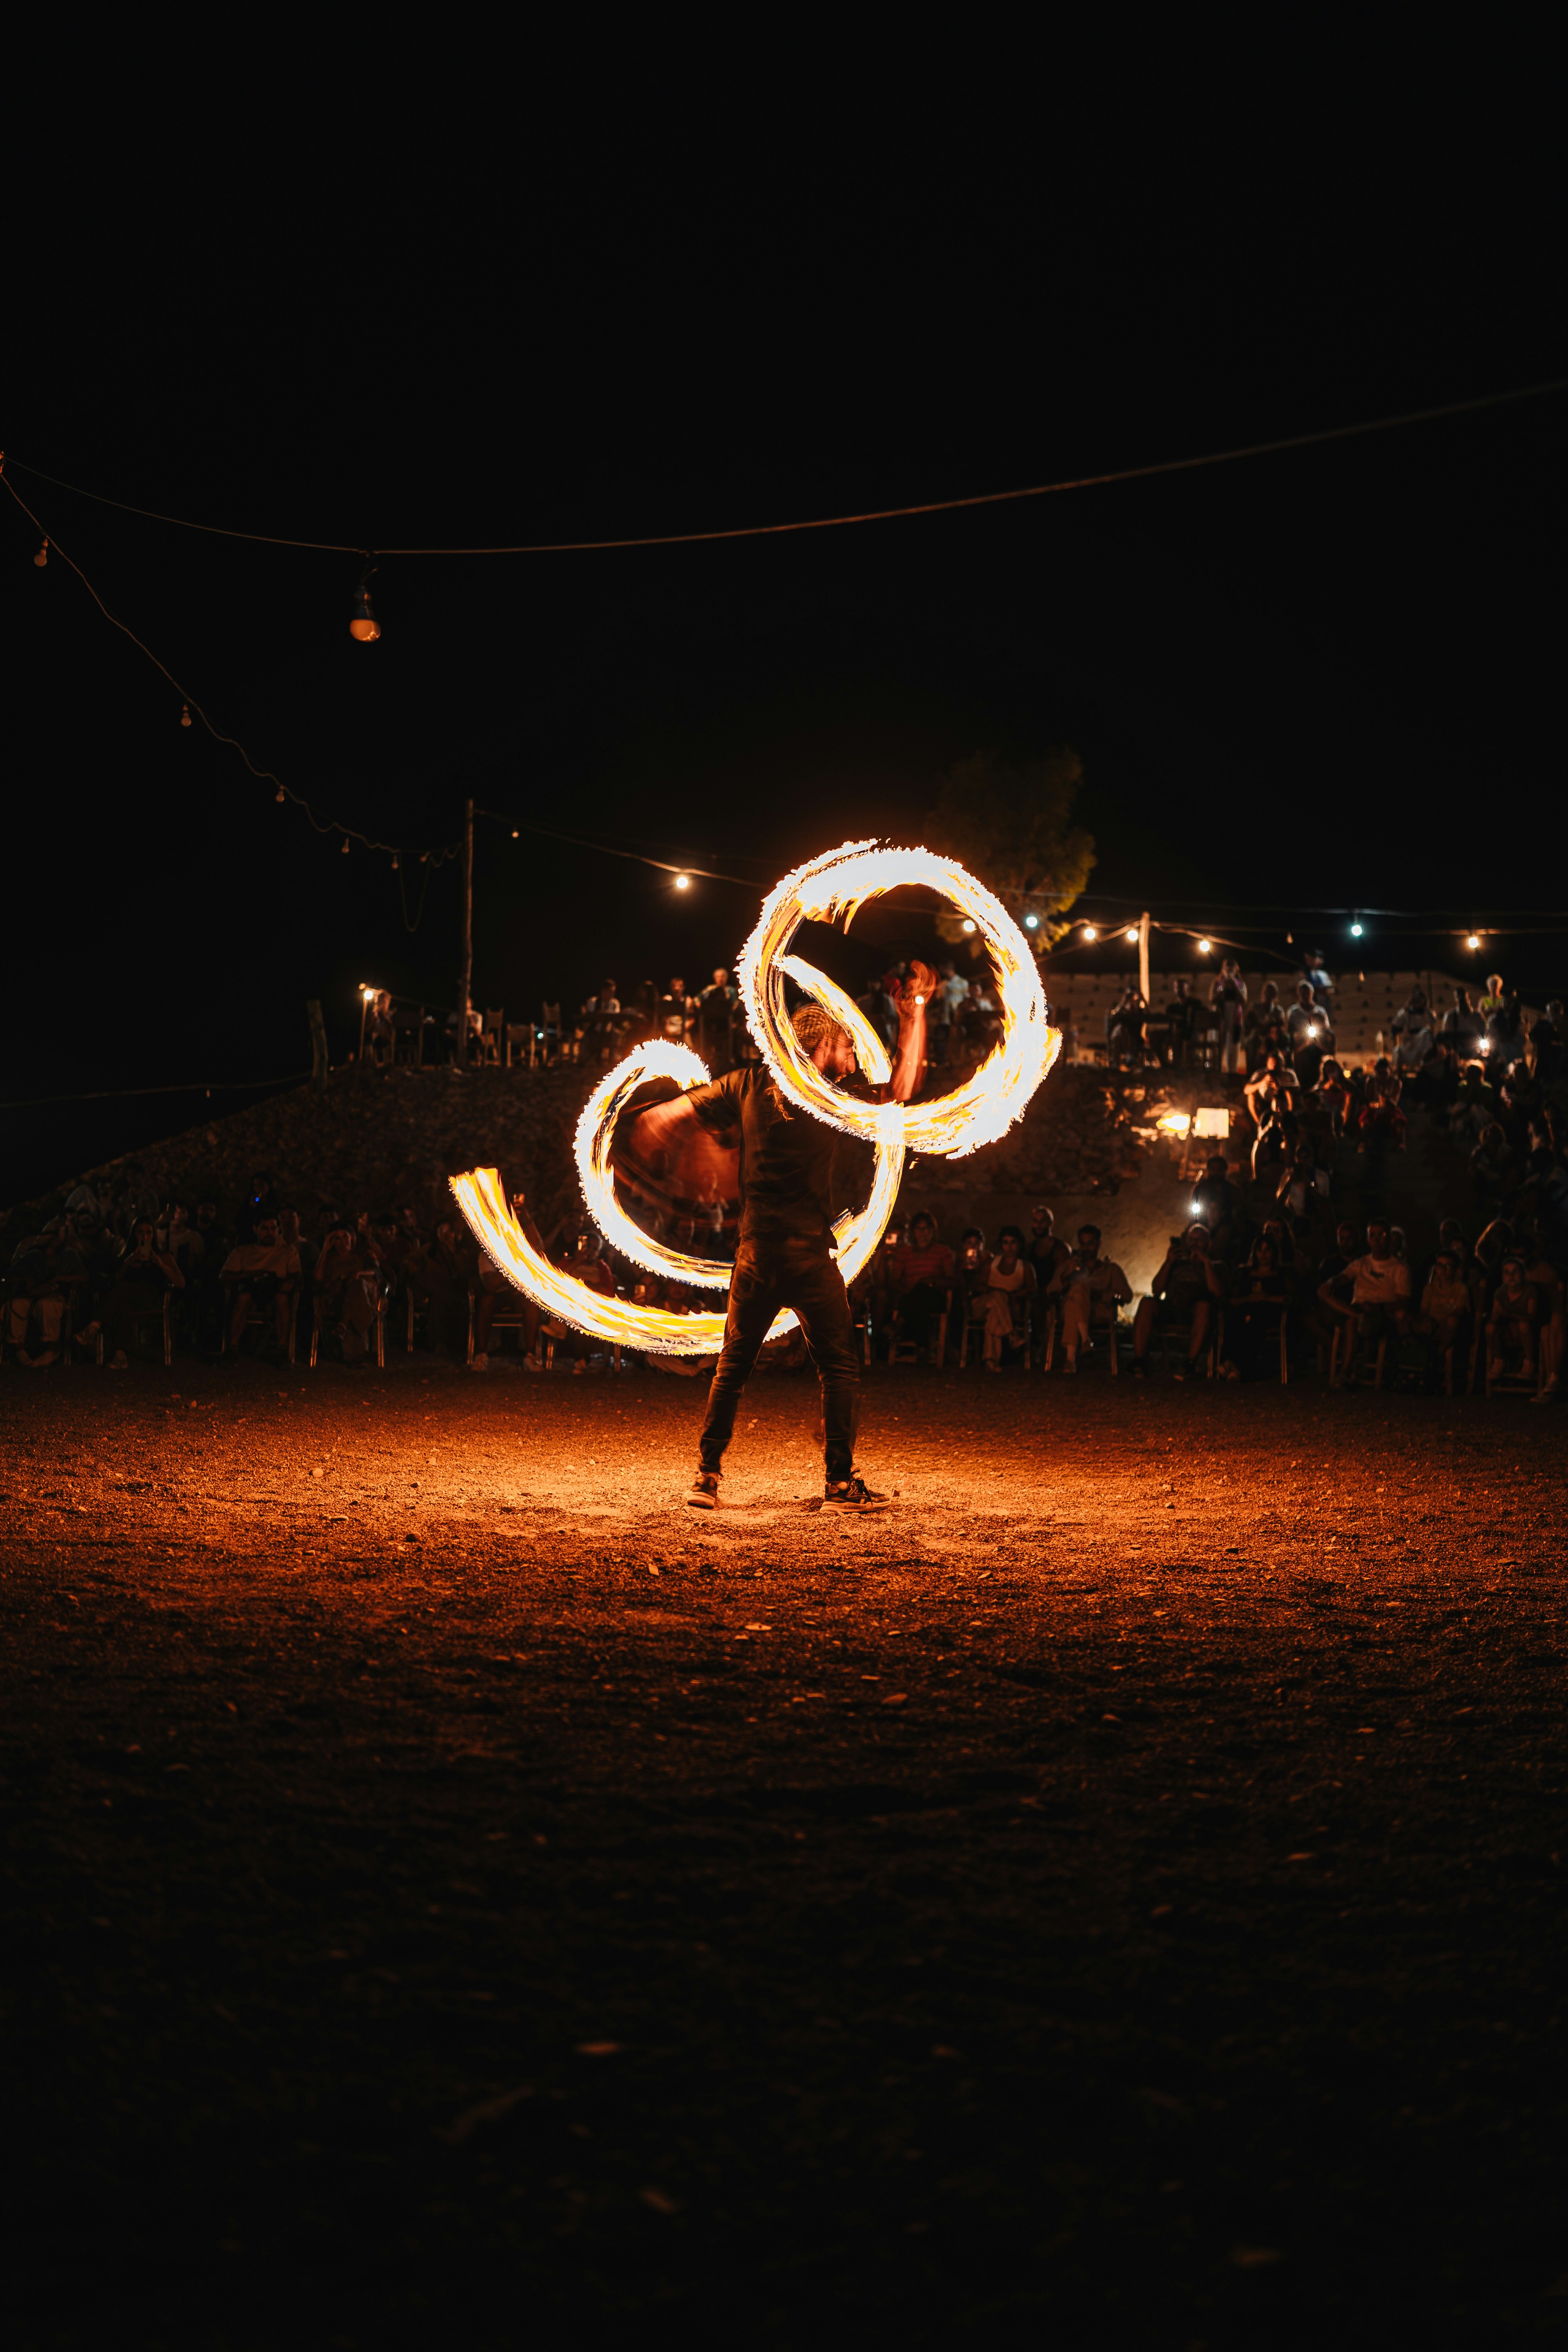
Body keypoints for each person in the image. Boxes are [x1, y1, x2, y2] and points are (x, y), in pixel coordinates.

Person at [645, 968, 931, 1512]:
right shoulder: (828, 1098)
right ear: (822, 1045)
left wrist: (659, 1123)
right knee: (839, 1366)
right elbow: (901, 1091)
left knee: (733, 1365)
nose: (853, 1057)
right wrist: (912, 1017)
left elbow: (678, 1110)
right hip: (806, 1256)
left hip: (756, 1255)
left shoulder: (748, 1082)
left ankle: (706, 1477)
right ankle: (840, 1483)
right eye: (847, 1046)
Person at [1318, 1219, 1411, 1384]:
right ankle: (1359, 1317)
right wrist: (1330, 1283)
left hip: (1381, 1313)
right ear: (1368, 1240)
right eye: (1372, 1236)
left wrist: (1379, 1307)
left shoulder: (1399, 1269)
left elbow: (1403, 1300)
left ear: (1390, 1239)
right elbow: (1342, 1278)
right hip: (1359, 1309)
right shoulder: (1361, 1263)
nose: (1377, 1240)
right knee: (1327, 1295)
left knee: (1352, 1322)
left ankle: (1345, 1373)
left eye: (1382, 1235)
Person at [1131, 1223, 1223, 1377]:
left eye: (1199, 1240)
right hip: (1172, 1308)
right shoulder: (1176, 1263)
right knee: (1147, 1303)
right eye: (1191, 1239)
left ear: (1209, 1244)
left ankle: (1189, 1365)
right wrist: (1168, 1263)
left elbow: (1217, 1293)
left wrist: (1206, 1264)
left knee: (1204, 1307)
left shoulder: (1217, 1266)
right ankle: (1139, 1362)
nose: (1194, 1243)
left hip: (1196, 1312)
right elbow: (1157, 1290)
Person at [1045, 1223, 1132, 1371]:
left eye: (1090, 1244)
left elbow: (1127, 1296)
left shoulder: (1110, 1269)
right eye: (1083, 1244)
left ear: (1099, 1245)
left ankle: (1070, 1360)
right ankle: (1086, 1341)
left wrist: (1102, 1295)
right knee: (1076, 1297)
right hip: (1069, 1311)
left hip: (1098, 1312)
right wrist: (1067, 1274)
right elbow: (1051, 1291)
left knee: (1077, 1294)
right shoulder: (1069, 1266)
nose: (1086, 1248)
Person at [6, 1220, 88, 1367]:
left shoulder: (69, 1255)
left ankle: (52, 1350)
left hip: (57, 1295)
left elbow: (84, 1277)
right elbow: (11, 1276)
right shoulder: (34, 1256)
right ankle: (20, 1351)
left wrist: (63, 1279)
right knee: (17, 1304)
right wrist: (25, 1279)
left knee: (47, 1305)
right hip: (32, 1295)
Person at [220, 1215, 301, 1360]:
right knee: (243, 1298)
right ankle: (232, 1349)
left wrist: (288, 1283)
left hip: (276, 1291)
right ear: (256, 1229)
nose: (270, 1233)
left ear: (278, 1230)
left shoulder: (288, 1252)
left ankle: (283, 1351)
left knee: (282, 1298)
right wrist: (251, 1275)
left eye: (273, 1228)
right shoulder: (243, 1252)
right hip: (251, 1290)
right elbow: (224, 1276)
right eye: (265, 1228)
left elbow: (297, 1276)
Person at [886, 1212, 955, 1361]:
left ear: (932, 1231)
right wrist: (909, 1291)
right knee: (919, 1301)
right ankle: (923, 1349)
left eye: (926, 1229)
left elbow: (952, 1280)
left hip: (935, 1296)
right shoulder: (904, 1253)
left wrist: (933, 1281)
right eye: (919, 1229)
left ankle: (898, 1324)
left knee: (923, 1291)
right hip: (912, 1297)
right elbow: (895, 1280)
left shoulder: (942, 1252)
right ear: (913, 1231)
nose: (923, 1233)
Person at [313, 1222, 379, 1365]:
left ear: (353, 1237)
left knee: (359, 1287)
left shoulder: (364, 1254)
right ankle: (361, 1354)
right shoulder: (330, 1259)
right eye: (337, 1238)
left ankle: (344, 1325)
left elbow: (377, 1271)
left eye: (346, 1237)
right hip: (340, 1298)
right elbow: (318, 1278)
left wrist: (358, 1273)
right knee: (356, 1301)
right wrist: (325, 1249)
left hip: (365, 1296)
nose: (343, 1242)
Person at [979, 1225, 1036, 1370]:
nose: (1009, 1247)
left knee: (995, 1315)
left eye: (1013, 1242)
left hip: (1008, 1307)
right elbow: (978, 1286)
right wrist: (997, 1291)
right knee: (998, 1297)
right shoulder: (991, 1264)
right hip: (985, 1304)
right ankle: (1011, 1334)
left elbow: (1033, 1288)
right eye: (1006, 1242)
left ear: (1019, 1244)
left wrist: (1015, 1295)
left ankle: (991, 1360)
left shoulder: (1025, 1267)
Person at [1486, 1255, 1538, 1386]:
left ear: (1522, 1274)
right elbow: (1494, 1319)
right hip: (1508, 1332)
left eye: (1515, 1272)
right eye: (1507, 1272)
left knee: (1524, 1325)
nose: (1511, 1276)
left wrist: (1510, 1314)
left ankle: (1529, 1362)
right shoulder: (1500, 1293)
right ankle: (1499, 1361)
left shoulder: (1530, 1291)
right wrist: (1497, 1314)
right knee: (1490, 1328)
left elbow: (1532, 1316)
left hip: (1526, 1334)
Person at [1210, 960, 1247, 1075]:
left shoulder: (1240, 984)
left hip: (1235, 1015)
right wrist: (1223, 988)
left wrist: (1235, 986)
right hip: (1221, 1014)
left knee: (1233, 1043)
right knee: (1217, 1041)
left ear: (1236, 971)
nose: (1230, 972)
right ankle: (1216, 1069)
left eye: (1232, 970)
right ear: (1223, 970)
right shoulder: (1217, 983)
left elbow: (1244, 1000)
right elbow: (1212, 1000)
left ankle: (1232, 1071)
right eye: (1228, 969)